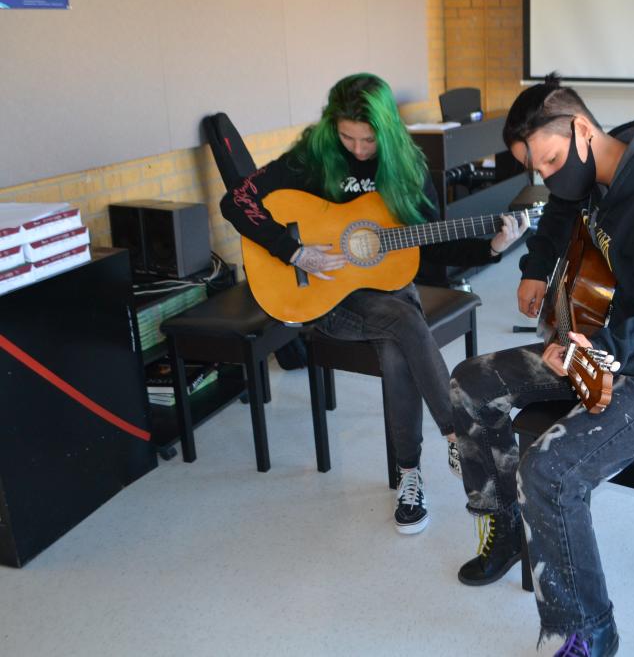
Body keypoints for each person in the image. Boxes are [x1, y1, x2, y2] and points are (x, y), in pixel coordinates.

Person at [449, 74, 634, 657]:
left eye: (551, 161)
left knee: (550, 473)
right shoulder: (589, 169)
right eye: (537, 169)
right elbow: (560, 210)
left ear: (581, 130)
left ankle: (586, 632)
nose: (549, 177)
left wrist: (594, 350)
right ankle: (503, 527)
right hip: (602, 338)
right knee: (470, 384)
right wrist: (535, 265)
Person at [220, 73, 528, 535]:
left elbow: (433, 248)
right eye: (348, 137)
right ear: (332, 128)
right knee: (403, 321)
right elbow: (236, 202)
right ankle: (460, 433)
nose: (360, 149)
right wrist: (294, 251)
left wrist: (491, 248)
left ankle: (408, 476)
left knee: (396, 340)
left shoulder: (406, 167)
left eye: (369, 139)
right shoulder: (311, 157)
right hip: (323, 294)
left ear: (387, 130)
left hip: (386, 290)